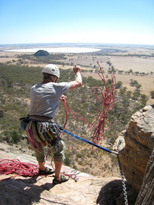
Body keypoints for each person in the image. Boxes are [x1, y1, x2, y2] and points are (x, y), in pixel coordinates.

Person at [26, 64, 82, 185]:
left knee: (38, 146)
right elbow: (78, 83)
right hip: (45, 126)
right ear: (55, 77)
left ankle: (42, 169)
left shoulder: (34, 88)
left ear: (44, 75)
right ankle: (57, 177)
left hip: (30, 125)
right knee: (59, 149)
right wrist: (77, 72)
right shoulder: (56, 86)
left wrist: (57, 97)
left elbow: (43, 98)